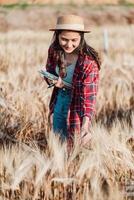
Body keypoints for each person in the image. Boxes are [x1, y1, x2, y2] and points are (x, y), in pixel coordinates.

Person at [44, 14, 101, 148]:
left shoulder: (88, 62)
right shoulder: (54, 51)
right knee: (58, 143)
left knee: (75, 146)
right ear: (57, 36)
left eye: (74, 40)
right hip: (59, 102)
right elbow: (50, 71)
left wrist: (85, 126)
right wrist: (51, 79)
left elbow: (89, 97)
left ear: (81, 38)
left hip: (77, 107)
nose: (69, 44)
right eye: (64, 39)